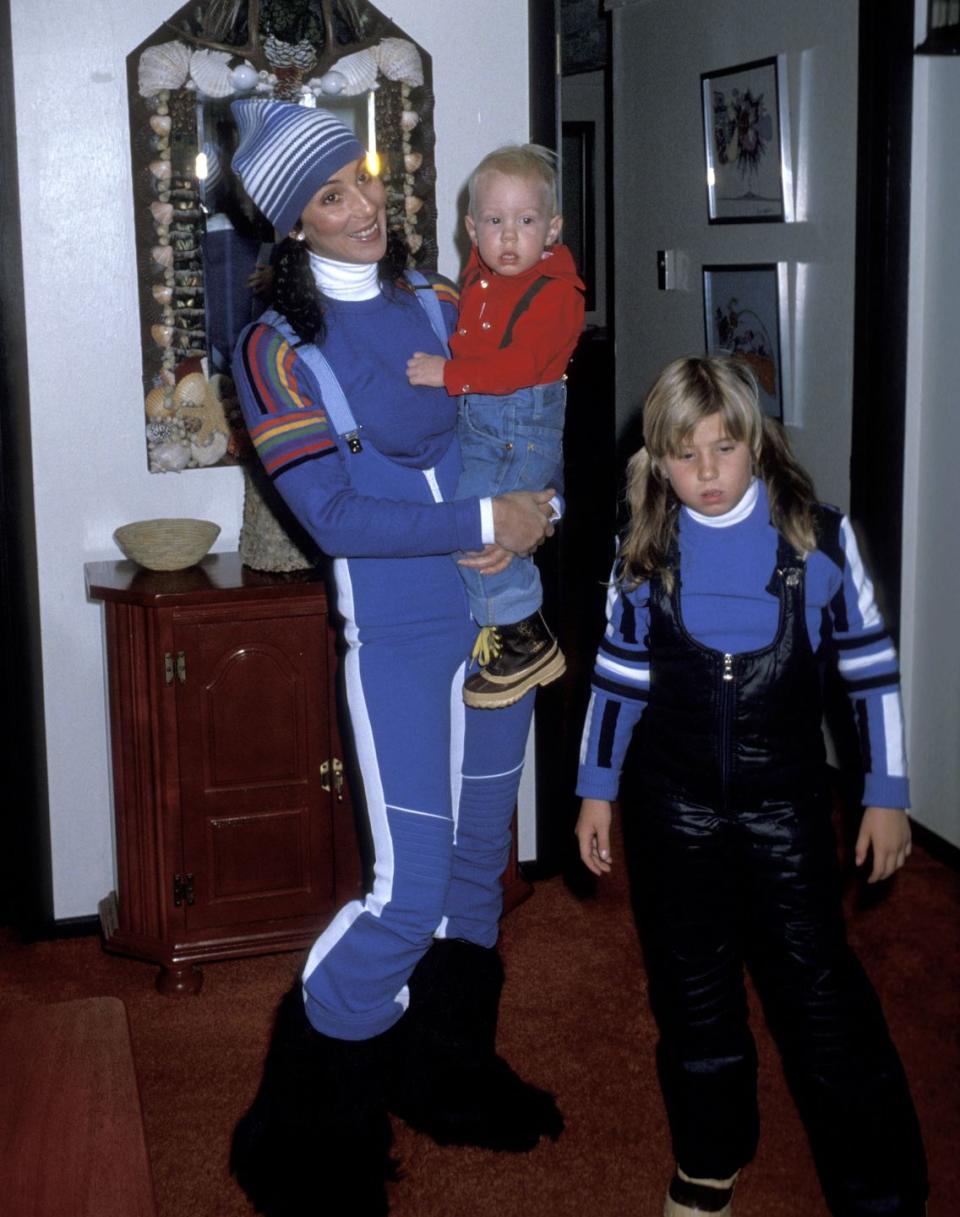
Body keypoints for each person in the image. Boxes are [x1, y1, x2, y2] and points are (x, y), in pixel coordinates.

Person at [226, 98, 563, 1217]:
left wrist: (541, 503)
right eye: (330, 194)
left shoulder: (443, 299)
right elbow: (329, 511)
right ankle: (306, 1128)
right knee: (407, 893)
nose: (365, 203)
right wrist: (487, 518)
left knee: (481, 870)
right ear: (290, 226)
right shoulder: (276, 347)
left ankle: (448, 1076)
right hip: (401, 639)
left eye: (363, 176)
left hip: (495, 618)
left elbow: (521, 422)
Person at [575, 356, 928, 1217]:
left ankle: (879, 1188)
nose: (704, 472)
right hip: (674, 810)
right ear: (656, 460)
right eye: (682, 453)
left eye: (724, 448)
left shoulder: (818, 538)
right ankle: (710, 1158)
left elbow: (871, 670)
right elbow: (617, 678)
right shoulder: (641, 553)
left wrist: (887, 791)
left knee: (818, 994)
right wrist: (596, 787)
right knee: (692, 991)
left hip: (786, 811)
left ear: (757, 445)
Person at [406, 144, 585, 709]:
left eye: (526, 222)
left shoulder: (556, 292)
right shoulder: (479, 278)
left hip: (517, 419)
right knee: (480, 521)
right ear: (472, 228)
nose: (510, 238)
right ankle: (510, 627)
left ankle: (525, 637)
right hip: (487, 424)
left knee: (474, 521)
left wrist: (448, 375)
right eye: (495, 222)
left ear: (553, 228)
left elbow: (519, 367)